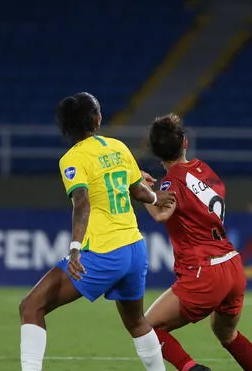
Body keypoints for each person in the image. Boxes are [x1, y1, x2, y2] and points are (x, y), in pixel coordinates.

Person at [19, 92, 176, 371]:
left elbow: (82, 202)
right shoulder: (117, 147)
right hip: (135, 249)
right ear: (97, 119)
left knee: (31, 307)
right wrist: (155, 198)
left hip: (103, 252)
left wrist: (75, 248)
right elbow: (137, 188)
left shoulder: (73, 158)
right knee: (137, 322)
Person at [142, 114, 252, 371]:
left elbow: (162, 214)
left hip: (205, 271)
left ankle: (190, 368)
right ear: (185, 142)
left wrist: (140, 191)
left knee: (147, 327)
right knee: (227, 334)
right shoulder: (204, 170)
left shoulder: (171, 181)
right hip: (232, 265)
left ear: (156, 153)